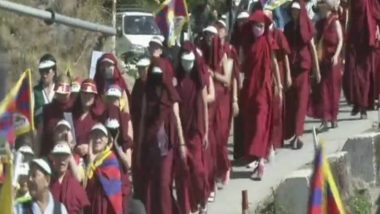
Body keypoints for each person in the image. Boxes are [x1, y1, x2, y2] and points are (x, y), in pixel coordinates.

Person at [136, 58, 185, 214]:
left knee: (164, 183)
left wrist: (182, 144)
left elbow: (177, 119)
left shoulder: (170, 93)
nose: (157, 78)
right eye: (154, 74)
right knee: (152, 183)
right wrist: (139, 149)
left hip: (167, 146)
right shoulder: (147, 94)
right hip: (151, 145)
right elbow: (143, 119)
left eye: (160, 74)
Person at [240, 10, 282, 180]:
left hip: (264, 89)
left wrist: (278, 83)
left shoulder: (267, 42)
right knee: (252, 123)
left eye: (262, 26)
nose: (259, 29)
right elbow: (242, 66)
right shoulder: (248, 44)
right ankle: (259, 158)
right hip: (250, 88)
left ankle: (261, 161)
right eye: (256, 26)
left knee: (261, 123)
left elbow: (273, 63)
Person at [174, 42, 209, 214]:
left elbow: (204, 104)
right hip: (181, 132)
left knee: (198, 170)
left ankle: (202, 200)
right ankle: (187, 207)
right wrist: (179, 137)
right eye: (184, 61)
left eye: (190, 61)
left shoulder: (198, 79)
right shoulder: (176, 79)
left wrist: (206, 132)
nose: (187, 64)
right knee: (182, 171)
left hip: (196, 131)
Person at [283, 0, 321, 149]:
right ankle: (293, 132)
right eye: (292, 11)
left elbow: (312, 47)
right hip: (292, 68)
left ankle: (298, 136)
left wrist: (316, 69)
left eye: (296, 11)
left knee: (301, 102)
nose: (294, 13)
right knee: (292, 101)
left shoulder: (306, 26)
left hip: (304, 67)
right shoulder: (287, 27)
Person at [308, 0, 343, 131]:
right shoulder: (318, 24)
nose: (321, 10)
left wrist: (336, 55)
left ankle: (334, 117)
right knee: (323, 90)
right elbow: (314, 40)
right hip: (322, 60)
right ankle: (325, 119)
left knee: (334, 89)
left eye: (323, 7)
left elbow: (340, 41)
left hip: (333, 60)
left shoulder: (335, 22)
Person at [212, 20, 239, 186]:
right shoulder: (209, 51)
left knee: (221, 137)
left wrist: (235, 99)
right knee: (213, 137)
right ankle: (217, 169)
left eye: (220, 27)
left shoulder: (228, 51)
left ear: (225, 31)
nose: (217, 31)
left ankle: (226, 167)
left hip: (225, 99)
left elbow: (231, 79)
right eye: (215, 28)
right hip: (212, 98)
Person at [343, 0, 380, 118]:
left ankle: (363, 106)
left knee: (364, 75)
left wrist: (378, 29)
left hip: (367, 38)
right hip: (354, 38)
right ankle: (356, 103)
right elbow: (347, 10)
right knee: (351, 74)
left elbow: (377, 12)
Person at [264, 9, 292, 152]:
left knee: (278, 108)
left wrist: (287, 74)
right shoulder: (262, 35)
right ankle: (269, 143)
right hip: (266, 77)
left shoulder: (278, 34)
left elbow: (285, 54)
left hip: (278, 73)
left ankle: (276, 141)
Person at [85, 123, 123, 214]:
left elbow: (112, 183)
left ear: (107, 140)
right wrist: (90, 161)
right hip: (93, 205)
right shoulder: (87, 159)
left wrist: (95, 169)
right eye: (94, 135)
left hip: (106, 205)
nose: (97, 139)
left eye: (101, 136)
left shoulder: (111, 158)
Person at [38, 74, 74, 156]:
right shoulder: (46, 109)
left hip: (68, 156)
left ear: (70, 90)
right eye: (60, 93)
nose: (62, 96)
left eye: (65, 93)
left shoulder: (74, 109)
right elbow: (39, 136)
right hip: (47, 153)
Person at [49, 143, 90, 214]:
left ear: (69, 159)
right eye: (58, 156)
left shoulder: (75, 185)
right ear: (53, 158)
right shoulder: (47, 183)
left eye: (64, 156)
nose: (61, 160)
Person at [72, 79, 104, 158]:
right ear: (80, 94)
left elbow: (104, 141)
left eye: (91, 94)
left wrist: (89, 147)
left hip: (92, 158)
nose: (87, 97)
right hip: (72, 157)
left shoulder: (99, 117)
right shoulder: (71, 114)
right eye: (85, 93)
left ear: (94, 96)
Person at [33, 54, 57, 127]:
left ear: (54, 71)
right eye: (41, 71)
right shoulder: (35, 91)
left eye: (47, 71)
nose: (44, 75)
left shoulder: (60, 90)